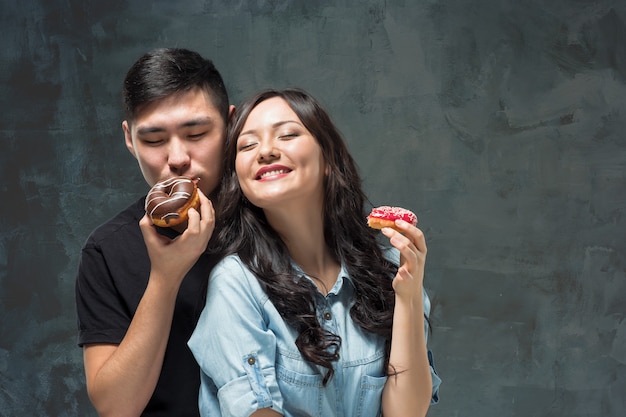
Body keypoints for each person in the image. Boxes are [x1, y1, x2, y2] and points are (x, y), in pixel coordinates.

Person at [188, 88, 441, 417]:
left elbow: (406, 413)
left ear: (328, 159)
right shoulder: (236, 283)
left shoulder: (390, 269)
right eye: (247, 144)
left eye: (288, 134)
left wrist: (407, 298)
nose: (265, 151)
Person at [75, 47, 233, 417]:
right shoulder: (106, 251)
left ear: (231, 124)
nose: (177, 157)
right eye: (155, 140)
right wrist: (164, 278)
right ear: (130, 139)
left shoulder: (274, 220)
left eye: (196, 133)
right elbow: (116, 406)